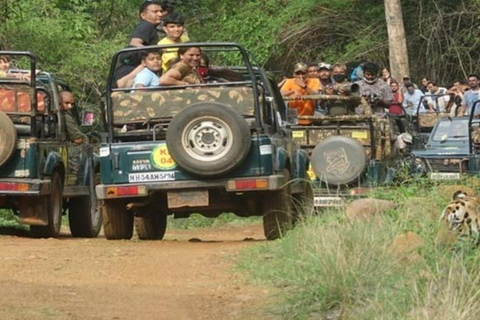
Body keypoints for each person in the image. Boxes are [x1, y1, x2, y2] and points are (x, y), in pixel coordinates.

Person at [115, 0, 164, 88]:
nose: (160, 14)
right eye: (155, 12)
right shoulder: (146, 26)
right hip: (130, 69)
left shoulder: (150, 28)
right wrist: (151, 56)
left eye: (161, 11)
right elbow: (135, 43)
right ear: (143, 15)